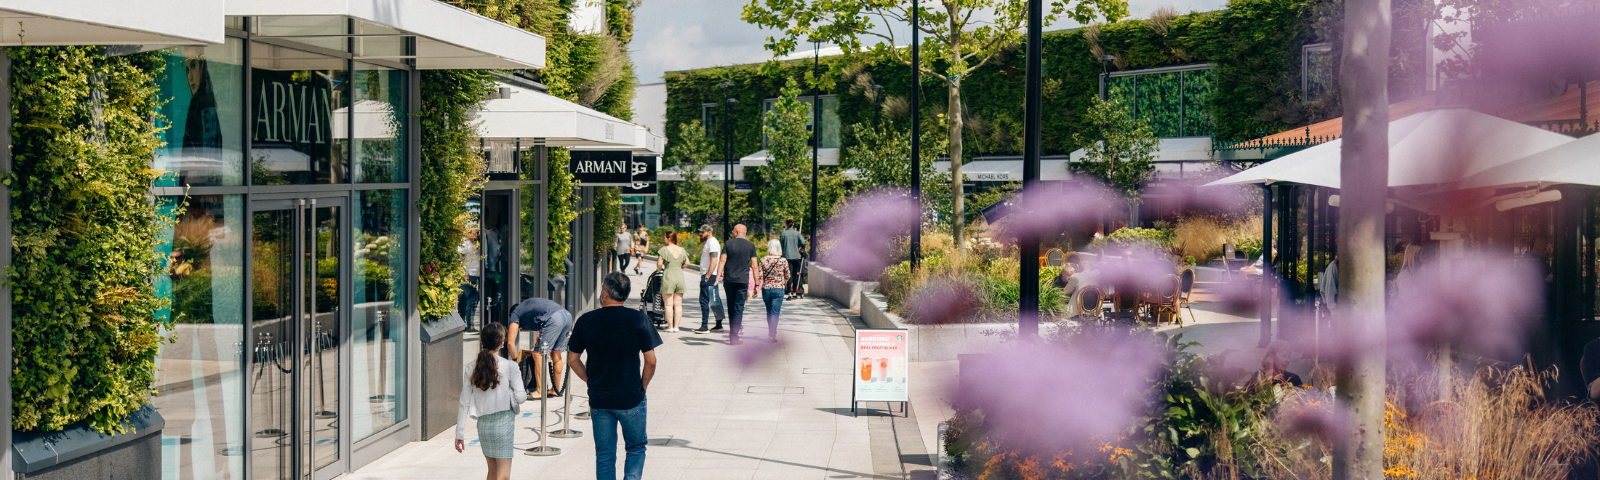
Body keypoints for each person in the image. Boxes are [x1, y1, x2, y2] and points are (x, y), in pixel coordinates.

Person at [567, 273, 663, 480]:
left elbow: (573, 360)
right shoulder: (638, 319)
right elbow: (651, 360)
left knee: (605, 455)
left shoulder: (586, 320)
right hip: (631, 396)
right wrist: (642, 386)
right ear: (625, 295)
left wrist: (590, 380)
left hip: (600, 397)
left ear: (605, 293)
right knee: (636, 447)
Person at [454, 322, 526, 480]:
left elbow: (464, 402)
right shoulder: (510, 366)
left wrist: (459, 433)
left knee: (492, 473)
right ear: (502, 343)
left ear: (480, 340)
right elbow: (521, 397)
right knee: (503, 476)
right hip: (504, 423)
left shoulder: (471, 367)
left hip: (483, 425)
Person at [506, 297, 573, 398]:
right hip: (566, 316)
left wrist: (515, 359)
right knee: (556, 353)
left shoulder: (516, 313)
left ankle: (539, 391)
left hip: (554, 318)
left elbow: (510, 343)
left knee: (537, 354)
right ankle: (556, 389)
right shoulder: (528, 308)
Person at [719, 224, 759, 345]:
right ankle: (734, 336)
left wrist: (717, 277)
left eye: (733, 232)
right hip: (742, 280)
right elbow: (754, 265)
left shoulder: (728, 244)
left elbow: (722, 260)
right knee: (738, 308)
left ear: (736, 232)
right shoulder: (751, 246)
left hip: (729, 280)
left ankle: (733, 334)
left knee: (731, 306)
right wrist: (757, 285)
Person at [653, 230, 688, 332]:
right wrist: (679, 267)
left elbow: (659, 263)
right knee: (678, 304)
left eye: (664, 238)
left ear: (669, 238)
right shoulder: (681, 249)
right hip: (679, 276)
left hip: (668, 276)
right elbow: (687, 262)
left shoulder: (664, 250)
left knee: (668, 304)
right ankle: (676, 327)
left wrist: (658, 270)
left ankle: (670, 327)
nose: (663, 240)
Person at [757, 239, 790, 342]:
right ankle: (772, 334)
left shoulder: (763, 260)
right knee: (775, 312)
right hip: (778, 288)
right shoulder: (783, 260)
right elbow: (787, 275)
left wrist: (756, 287)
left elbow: (759, 276)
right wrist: (784, 283)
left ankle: (771, 332)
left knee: (769, 311)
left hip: (766, 289)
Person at [694, 225, 726, 334]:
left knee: (704, 300)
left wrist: (707, 275)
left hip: (709, 275)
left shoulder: (712, 242)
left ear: (709, 232)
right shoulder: (710, 242)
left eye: (702, 232)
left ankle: (704, 326)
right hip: (711, 275)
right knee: (714, 300)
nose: (700, 234)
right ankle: (718, 324)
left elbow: (714, 260)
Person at [780, 218, 807, 299]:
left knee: (788, 275)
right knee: (795, 275)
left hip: (787, 257)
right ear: (793, 224)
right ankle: (794, 292)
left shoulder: (783, 234)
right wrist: (801, 248)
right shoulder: (797, 233)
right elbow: (803, 242)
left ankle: (789, 293)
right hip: (796, 257)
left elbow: (781, 245)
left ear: (786, 224)